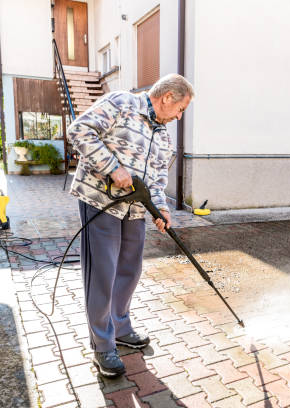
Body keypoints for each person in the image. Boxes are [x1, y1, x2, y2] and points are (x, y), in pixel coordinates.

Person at [66, 74, 194, 377]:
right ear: (167, 97)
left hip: (135, 212)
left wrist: (160, 207)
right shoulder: (122, 103)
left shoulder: (162, 135)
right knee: (102, 274)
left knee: (129, 271)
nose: (178, 117)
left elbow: (159, 178)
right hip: (101, 204)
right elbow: (79, 130)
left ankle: (120, 328)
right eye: (180, 109)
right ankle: (102, 346)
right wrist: (113, 168)